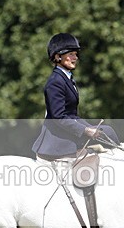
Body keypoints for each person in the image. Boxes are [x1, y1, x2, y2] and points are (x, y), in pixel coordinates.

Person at [32, 33, 119, 161]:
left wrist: (89, 127)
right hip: (58, 139)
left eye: (76, 54)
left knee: (107, 132)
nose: (75, 57)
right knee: (107, 133)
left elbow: (72, 115)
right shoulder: (55, 82)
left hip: (68, 130)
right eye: (71, 54)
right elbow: (59, 117)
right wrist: (85, 130)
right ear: (57, 56)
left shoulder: (67, 78)